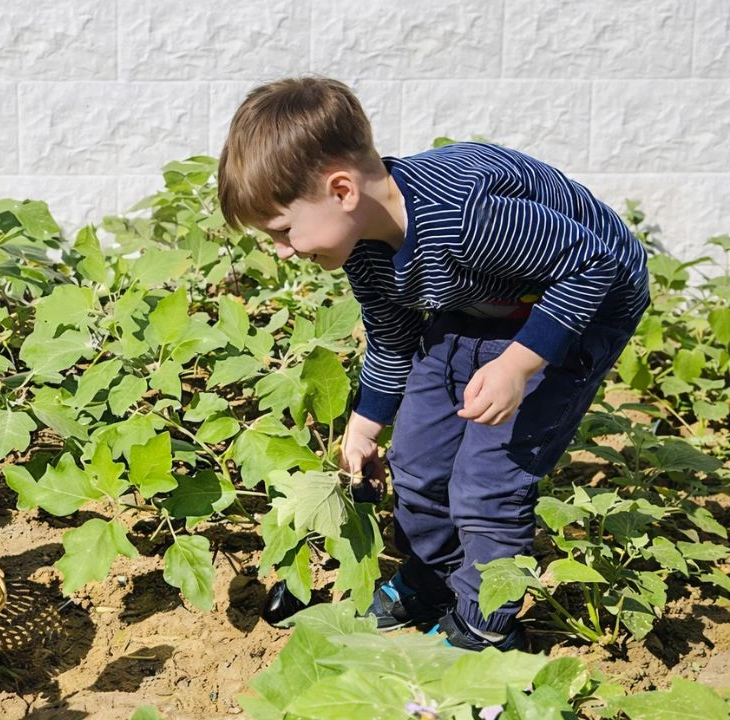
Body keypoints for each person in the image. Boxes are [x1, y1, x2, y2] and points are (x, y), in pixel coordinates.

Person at [218, 78, 648, 651]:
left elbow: (592, 264)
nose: (282, 250)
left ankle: (485, 623)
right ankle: (433, 578)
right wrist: (365, 426)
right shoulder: (363, 245)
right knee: (418, 461)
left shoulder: (463, 215)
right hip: (481, 299)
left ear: (342, 190)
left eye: (283, 231)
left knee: (488, 481)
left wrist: (518, 364)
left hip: (580, 304)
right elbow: (392, 336)